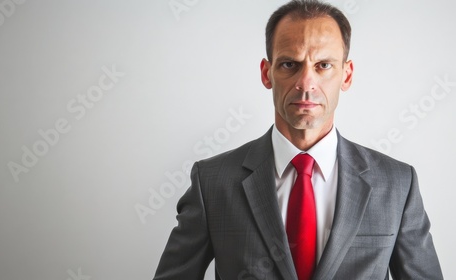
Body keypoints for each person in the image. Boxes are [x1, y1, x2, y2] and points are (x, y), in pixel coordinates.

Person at [153, 0, 443, 279]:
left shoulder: (397, 184)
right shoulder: (212, 182)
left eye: (323, 65)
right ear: (267, 74)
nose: (306, 83)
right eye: (290, 64)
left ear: (347, 74)